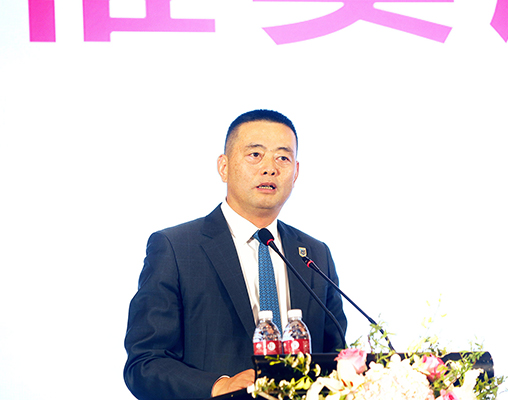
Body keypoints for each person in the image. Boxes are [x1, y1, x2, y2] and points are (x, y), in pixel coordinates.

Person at [123, 109, 347, 400]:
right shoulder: (176, 248)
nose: (270, 168)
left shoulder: (315, 254)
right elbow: (145, 364)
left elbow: (337, 358)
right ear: (224, 167)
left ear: (296, 173)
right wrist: (219, 386)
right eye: (255, 155)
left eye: (283, 158)